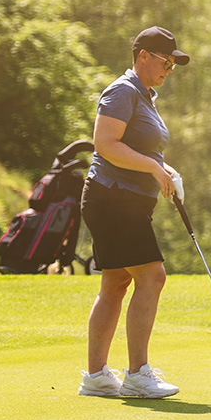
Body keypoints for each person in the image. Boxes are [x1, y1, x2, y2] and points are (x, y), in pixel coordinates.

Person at [77, 27, 190, 399]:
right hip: (114, 198)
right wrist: (155, 169)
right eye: (165, 61)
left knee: (115, 283)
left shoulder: (144, 95)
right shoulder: (123, 91)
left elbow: (140, 150)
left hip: (123, 199)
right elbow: (105, 144)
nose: (169, 69)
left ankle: (96, 376)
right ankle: (138, 374)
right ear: (143, 56)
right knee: (153, 277)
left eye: (173, 64)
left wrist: (165, 169)